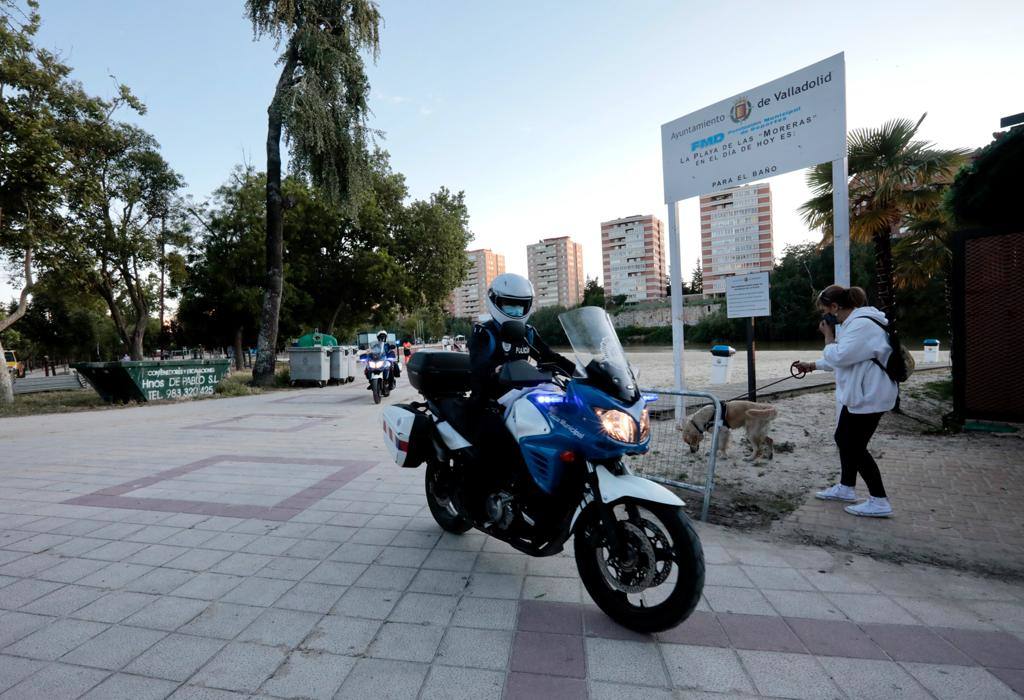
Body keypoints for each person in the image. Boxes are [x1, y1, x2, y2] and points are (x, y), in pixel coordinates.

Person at [795, 285, 898, 517]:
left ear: (835, 307)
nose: (825, 316)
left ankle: (879, 500)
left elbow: (840, 356)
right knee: (844, 439)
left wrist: (828, 335)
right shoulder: (856, 323)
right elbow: (845, 356)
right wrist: (812, 366)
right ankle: (846, 487)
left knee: (854, 446)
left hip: (870, 395)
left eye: (825, 310)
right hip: (861, 394)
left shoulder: (861, 324)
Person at [468, 273, 576, 481]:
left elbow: (550, 356)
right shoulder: (484, 332)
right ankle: (478, 500)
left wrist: (582, 373)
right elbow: (479, 366)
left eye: (520, 305)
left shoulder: (528, 333)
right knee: (494, 448)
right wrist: (496, 371)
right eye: (509, 305)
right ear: (495, 302)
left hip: (520, 396)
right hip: (488, 400)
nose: (516, 311)